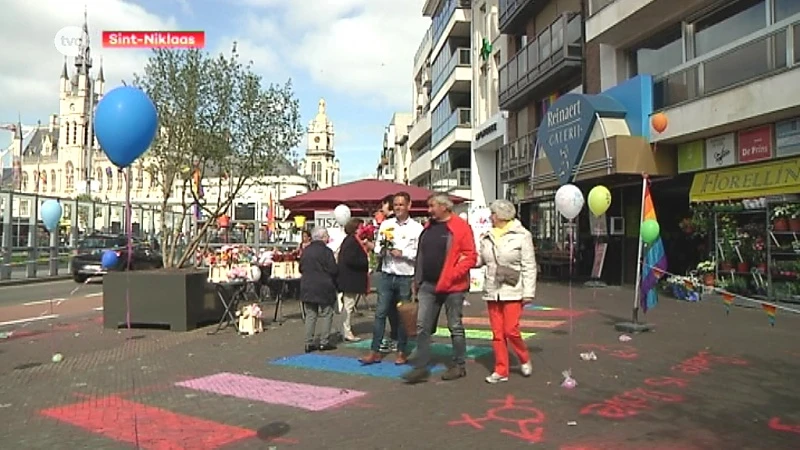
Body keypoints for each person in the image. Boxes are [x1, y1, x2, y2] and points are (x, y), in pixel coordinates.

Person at [402, 193, 477, 384]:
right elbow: (421, 254)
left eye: (432, 206)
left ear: (444, 207)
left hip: (454, 287)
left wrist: (451, 274)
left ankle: (459, 365)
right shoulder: (429, 227)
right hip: (428, 284)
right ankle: (421, 367)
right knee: (422, 325)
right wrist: (417, 279)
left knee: (455, 326)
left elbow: (470, 256)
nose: (429, 210)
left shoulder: (460, 227)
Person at [360, 192, 424, 365]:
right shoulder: (386, 224)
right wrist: (380, 249)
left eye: (401, 204)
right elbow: (378, 247)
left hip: (405, 276)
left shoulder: (417, 228)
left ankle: (402, 351)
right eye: (395, 205)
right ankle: (375, 351)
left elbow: (419, 254)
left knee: (403, 315)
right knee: (380, 313)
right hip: (387, 274)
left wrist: (403, 254)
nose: (398, 208)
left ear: (409, 206)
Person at [476, 199, 536, 383]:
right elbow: (481, 260)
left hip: (513, 288)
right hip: (493, 288)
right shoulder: (486, 236)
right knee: (497, 333)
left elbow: (529, 265)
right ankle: (501, 370)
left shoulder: (522, 235)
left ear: (502, 216)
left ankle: (524, 357)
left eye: (493, 214)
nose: (490, 217)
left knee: (511, 330)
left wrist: (528, 292)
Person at [299, 227, 338, 353]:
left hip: (307, 285)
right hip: (324, 286)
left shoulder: (306, 251)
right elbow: (333, 270)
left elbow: (301, 268)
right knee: (327, 313)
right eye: (326, 235)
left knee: (311, 314)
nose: (328, 237)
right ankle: (324, 342)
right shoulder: (327, 252)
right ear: (322, 237)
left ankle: (308, 343)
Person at [337, 218, 370, 342]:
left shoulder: (352, 241)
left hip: (350, 279)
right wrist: (364, 262)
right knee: (348, 306)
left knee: (348, 305)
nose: (364, 229)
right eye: (362, 227)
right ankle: (346, 331)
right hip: (350, 279)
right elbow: (350, 259)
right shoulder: (351, 242)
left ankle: (344, 329)